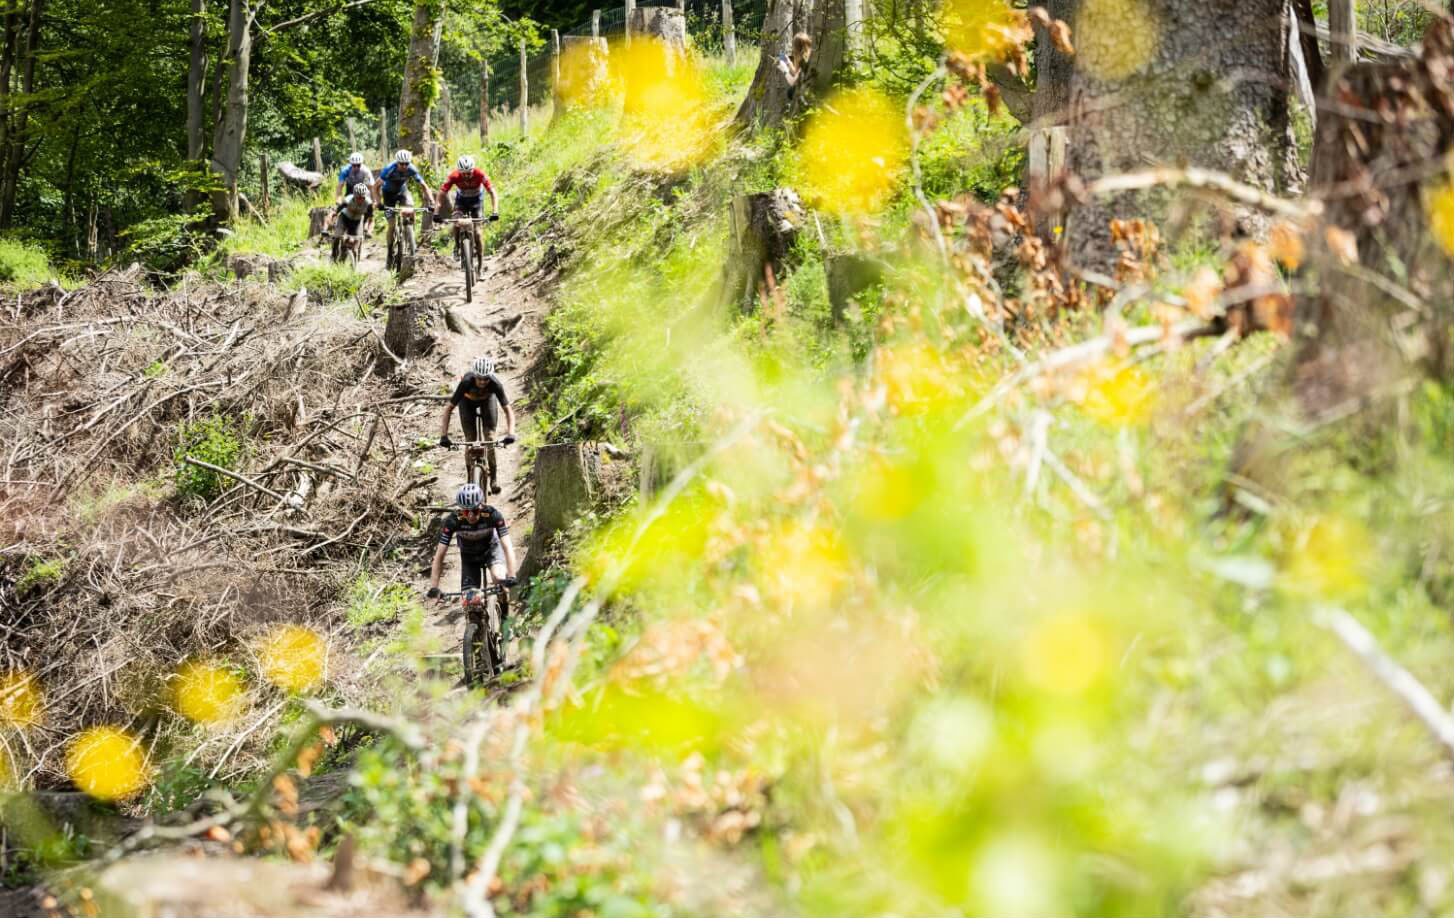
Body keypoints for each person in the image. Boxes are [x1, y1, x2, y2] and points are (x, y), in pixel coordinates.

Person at [427, 483, 518, 686]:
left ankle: (505, 619)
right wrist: (434, 587)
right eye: (466, 511)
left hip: (491, 550)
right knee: (470, 603)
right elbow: (439, 555)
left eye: (475, 510)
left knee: (498, 578)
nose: (471, 515)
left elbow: (507, 546)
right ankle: (476, 650)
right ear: (460, 510)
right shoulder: (452, 521)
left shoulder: (493, 514)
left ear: (482, 505)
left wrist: (510, 576)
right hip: (469, 559)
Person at [439, 356, 516, 494]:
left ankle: (494, 479)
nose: (482, 382)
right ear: (474, 375)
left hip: (487, 402)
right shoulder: (466, 382)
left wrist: (511, 433)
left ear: (490, 377)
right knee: (470, 440)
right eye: (479, 378)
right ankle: (470, 478)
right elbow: (448, 409)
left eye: (486, 379)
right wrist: (444, 436)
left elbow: (508, 410)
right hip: (466, 403)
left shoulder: (495, 384)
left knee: (490, 438)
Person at [436, 154, 499, 222]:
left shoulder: (479, 174)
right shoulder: (454, 175)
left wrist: (495, 211)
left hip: (477, 199)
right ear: (459, 171)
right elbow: (442, 193)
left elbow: (492, 192)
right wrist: (436, 213)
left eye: (469, 173)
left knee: (478, 231)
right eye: (463, 173)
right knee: (456, 222)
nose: (466, 176)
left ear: (473, 170)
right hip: (461, 200)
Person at [336, 152, 377, 235]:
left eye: (358, 165)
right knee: (345, 205)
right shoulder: (345, 170)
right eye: (353, 165)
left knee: (367, 206)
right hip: (350, 189)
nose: (356, 167)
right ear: (350, 164)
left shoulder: (366, 171)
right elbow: (340, 186)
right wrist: (338, 198)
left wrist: (374, 200)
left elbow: (371, 187)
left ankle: (365, 226)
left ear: (361, 164)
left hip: (363, 188)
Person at [328, 183, 372, 259]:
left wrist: (367, 229)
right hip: (344, 218)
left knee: (356, 239)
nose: (360, 200)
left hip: (357, 221)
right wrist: (332, 218)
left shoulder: (368, 204)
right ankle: (333, 255)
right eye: (358, 197)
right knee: (337, 236)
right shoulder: (347, 200)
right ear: (354, 196)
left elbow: (369, 217)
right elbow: (337, 212)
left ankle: (353, 259)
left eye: (362, 198)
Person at [774, 32, 814, 100]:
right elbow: (797, 75)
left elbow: (793, 82)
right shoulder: (808, 57)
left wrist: (784, 69)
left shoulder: (805, 61)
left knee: (791, 91)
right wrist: (788, 63)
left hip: (806, 92)